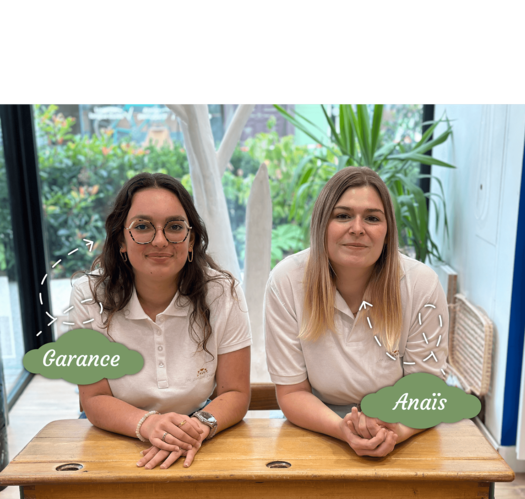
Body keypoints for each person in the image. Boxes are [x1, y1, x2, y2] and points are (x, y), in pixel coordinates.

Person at [68, 172, 251, 470]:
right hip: (117, 432)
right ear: (121, 241)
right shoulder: (89, 295)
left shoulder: (222, 292)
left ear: (191, 240)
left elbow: (235, 392)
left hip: (201, 429)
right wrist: (148, 424)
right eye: (142, 227)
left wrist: (196, 429)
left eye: (175, 227)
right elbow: (94, 398)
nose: (161, 240)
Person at [264, 166, 449, 458]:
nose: (357, 228)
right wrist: (343, 430)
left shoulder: (421, 283)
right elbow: (292, 393)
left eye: (372, 218)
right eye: (343, 215)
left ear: (387, 233)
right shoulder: (286, 280)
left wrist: (395, 430)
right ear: (321, 224)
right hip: (319, 424)